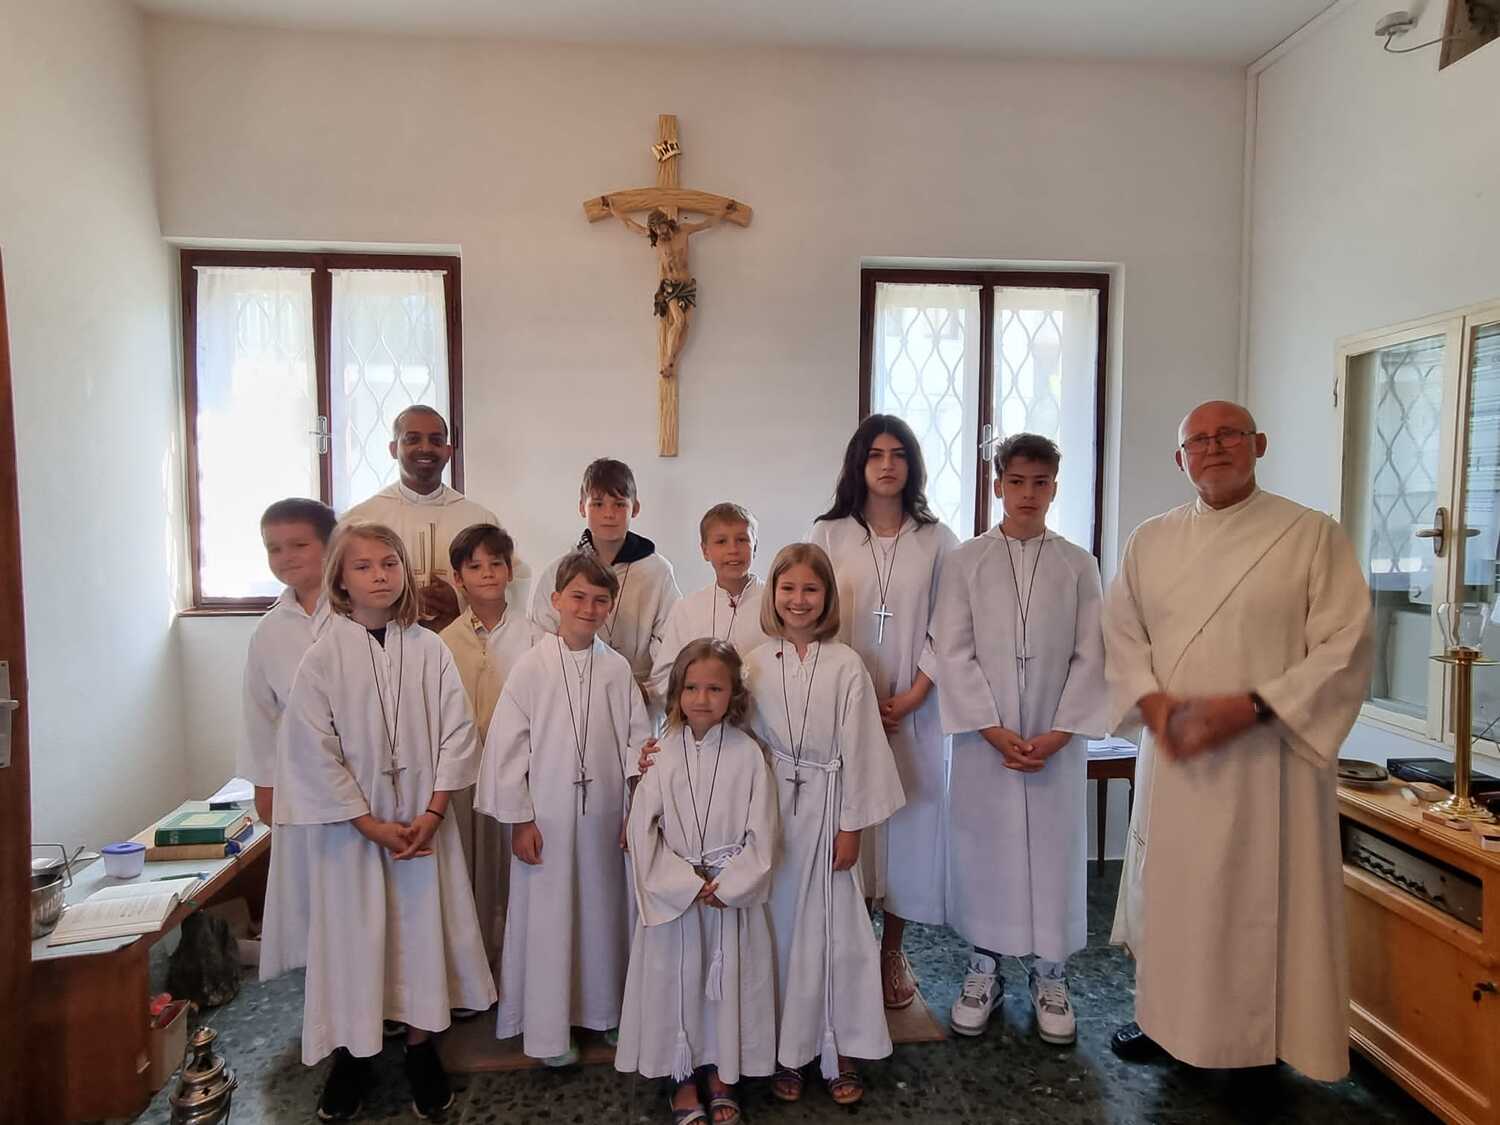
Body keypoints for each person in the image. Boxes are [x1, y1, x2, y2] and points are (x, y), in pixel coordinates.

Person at [1103, 400, 1373, 1080]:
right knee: (1176, 897)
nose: (1214, 447)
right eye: (1198, 440)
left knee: (1255, 902)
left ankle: (1260, 1042)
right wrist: (1155, 704)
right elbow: (1121, 634)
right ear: (1180, 459)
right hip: (1177, 755)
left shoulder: (1310, 535)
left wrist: (1253, 707)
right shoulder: (1150, 540)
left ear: (1259, 443)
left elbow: (1344, 645)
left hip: (1268, 757)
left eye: (1228, 434)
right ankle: (1166, 1022)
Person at [274, 522, 495, 1120]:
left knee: (422, 936)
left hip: (425, 825)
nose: (379, 576)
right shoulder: (323, 657)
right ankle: (354, 1053)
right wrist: (367, 823)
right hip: (353, 835)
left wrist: (433, 811)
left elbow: (457, 732)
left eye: (390, 564)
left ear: (405, 573)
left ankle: (421, 1048)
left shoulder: (429, 649)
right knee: (355, 939)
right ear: (341, 580)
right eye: (364, 566)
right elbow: (312, 749)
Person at [933, 434, 1106, 1044]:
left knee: (1054, 851)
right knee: (987, 849)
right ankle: (984, 967)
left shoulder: (1078, 564)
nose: (1028, 494)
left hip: (1055, 739)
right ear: (997, 485)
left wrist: (1060, 732)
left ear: (1055, 487)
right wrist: (991, 728)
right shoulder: (966, 561)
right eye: (1017, 482)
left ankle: (1051, 972)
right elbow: (952, 651)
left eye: (1041, 483)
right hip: (986, 741)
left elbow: (1092, 654)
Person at [746, 543, 904, 1107]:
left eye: (810, 589)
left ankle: (840, 1048)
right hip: (772, 813)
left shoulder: (846, 664)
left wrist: (852, 826)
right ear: (772, 594)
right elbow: (737, 742)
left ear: (828, 597)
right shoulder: (753, 663)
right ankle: (785, 1051)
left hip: (830, 809)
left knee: (836, 932)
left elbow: (861, 747)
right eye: (788, 588)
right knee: (780, 932)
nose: (798, 600)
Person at [479, 552, 651, 1066]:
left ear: (610, 606)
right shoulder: (531, 667)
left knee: (605, 912)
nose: (588, 608)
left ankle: (608, 1009)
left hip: (605, 818)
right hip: (547, 820)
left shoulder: (616, 669)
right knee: (551, 918)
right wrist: (520, 820)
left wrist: (636, 808)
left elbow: (637, 742)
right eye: (578, 596)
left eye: (600, 600)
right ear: (555, 600)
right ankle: (551, 1027)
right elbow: (508, 748)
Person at [810, 414, 957, 1011]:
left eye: (899, 454)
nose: (888, 464)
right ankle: (849, 948)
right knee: (853, 827)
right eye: (876, 454)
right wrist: (857, 697)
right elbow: (814, 615)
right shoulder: (829, 534)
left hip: (914, 710)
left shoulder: (938, 539)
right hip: (845, 707)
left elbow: (951, 624)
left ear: (912, 464)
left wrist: (917, 692)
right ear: (859, 463)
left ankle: (893, 950)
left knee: (909, 830)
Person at [616, 639, 778, 1125]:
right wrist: (682, 883)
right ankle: (682, 1076)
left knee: (723, 989)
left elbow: (764, 831)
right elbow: (642, 829)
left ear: (734, 695)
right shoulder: (662, 753)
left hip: (725, 898)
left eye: (714, 688)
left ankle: (722, 1074)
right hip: (680, 899)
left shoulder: (749, 755)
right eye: (691, 688)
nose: (702, 698)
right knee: (678, 986)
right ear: (676, 692)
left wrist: (730, 884)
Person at [243, 497, 336, 983]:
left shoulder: (357, 613)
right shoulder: (269, 629)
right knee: (310, 885)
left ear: (330, 545)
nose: (286, 558)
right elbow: (260, 713)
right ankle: (322, 980)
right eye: (273, 548)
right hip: (298, 775)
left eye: (299, 545)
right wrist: (265, 783)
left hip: (360, 770)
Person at [438, 522, 535, 979]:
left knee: (513, 871)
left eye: (496, 564)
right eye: (475, 567)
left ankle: (514, 968)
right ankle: (472, 973)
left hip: (517, 770)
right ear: (458, 578)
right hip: (464, 772)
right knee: (468, 869)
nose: (488, 574)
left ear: (510, 571)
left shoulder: (534, 637)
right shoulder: (443, 642)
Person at [530, 458, 680, 717]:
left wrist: (650, 691)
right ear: (582, 507)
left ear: (635, 508)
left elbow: (672, 640)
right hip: (571, 698)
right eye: (597, 504)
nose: (609, 514)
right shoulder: (559, 571)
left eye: (619, 504)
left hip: (640, 699)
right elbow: (543, 636)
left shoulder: (657, 571)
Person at [342, 405, 508, 633]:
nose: (425, 448)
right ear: (393, 449)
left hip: (464, 642)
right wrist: (402, 602)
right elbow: (340, 589)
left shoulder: (479, 519)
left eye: (436, 441)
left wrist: (460, 602)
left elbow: (511, 583)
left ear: (448, 452)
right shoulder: (361, 520)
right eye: (412, 439)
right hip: (384, 641)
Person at [647, 502, 770, 709]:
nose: (733, 550)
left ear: (755, 546)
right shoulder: (687, 609)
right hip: (704, 721)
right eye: (721, 541)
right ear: (705, 551)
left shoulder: (775, 603)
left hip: (763, 719)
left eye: (742, 540)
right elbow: (665, 677)